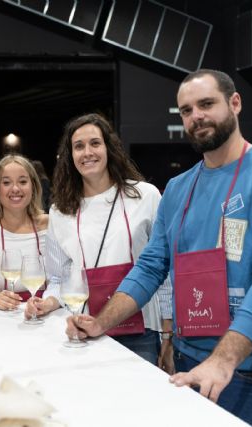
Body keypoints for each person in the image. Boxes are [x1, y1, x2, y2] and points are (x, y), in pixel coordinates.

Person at [66, 69, 252, 426]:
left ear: (235, 103)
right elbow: (150, 267)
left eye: (206, 104)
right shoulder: (178, 188)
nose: (196, 116)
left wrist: (222, 360)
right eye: (186, 110)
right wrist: (101, 322)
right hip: (187, 361)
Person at [26, 113, 172, 366]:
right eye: (79, 146)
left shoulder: (145, 196)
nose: (87, 152)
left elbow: (164, 271)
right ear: (70, 156)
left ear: (109, 148)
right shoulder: (60, 211)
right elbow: (59, 278)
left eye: (95, 143)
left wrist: (168, 330)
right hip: (84, 328)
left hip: (142, 331)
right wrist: (47, 303)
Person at [0, 155, 48, 309]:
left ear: (33, 187)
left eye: (23, 181)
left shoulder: (49, 226)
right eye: (6, 182)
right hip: (7, 319)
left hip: (47, 316)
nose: (15, 189)